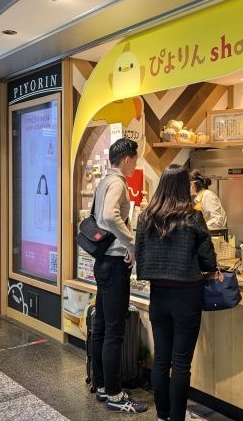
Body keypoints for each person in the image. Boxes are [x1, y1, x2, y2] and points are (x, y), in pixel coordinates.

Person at [135, 165, 218, 421]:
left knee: (161, 359)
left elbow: (140, 254)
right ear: (184, 187)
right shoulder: (192, 217)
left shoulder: (146, 217)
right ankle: (177, 417)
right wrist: (209, 269)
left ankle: (162, 415)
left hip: (158, 295)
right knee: (181, 363)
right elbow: (207, 257)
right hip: (187, 296)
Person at [90, 138, 148, 414]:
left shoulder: (104, 181)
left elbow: (102, 216)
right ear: (127, 159)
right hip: (114, 264)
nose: (135, 164)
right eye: (135, 160)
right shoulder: (117, 183)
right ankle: (115, 394)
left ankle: (102, 384)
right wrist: (132, 244)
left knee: (102, 326)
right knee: (114, 331)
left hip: (103, 262)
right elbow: (111, 215)